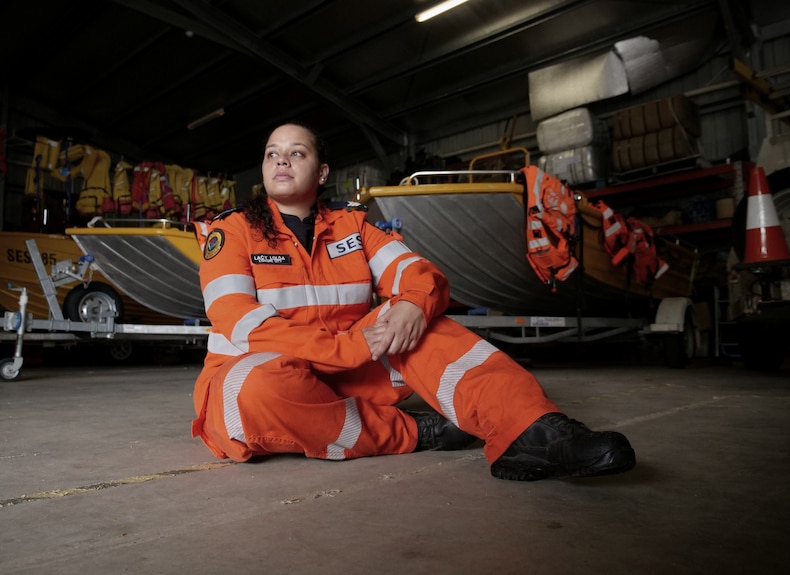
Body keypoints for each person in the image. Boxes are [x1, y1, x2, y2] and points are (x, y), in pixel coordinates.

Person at [191, 122, 636, 481]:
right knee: (254, 391)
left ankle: (532, 431)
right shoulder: (231, 231)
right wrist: (348, 349)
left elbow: (418, 273)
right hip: (265, 373)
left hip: (349, 371)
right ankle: (414, 432)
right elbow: (237, 317)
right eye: (272, 153)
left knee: (428, 327)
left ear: (322, 173)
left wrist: (412, 306)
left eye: (296, 152)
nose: (281, 160)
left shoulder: (353, 226)